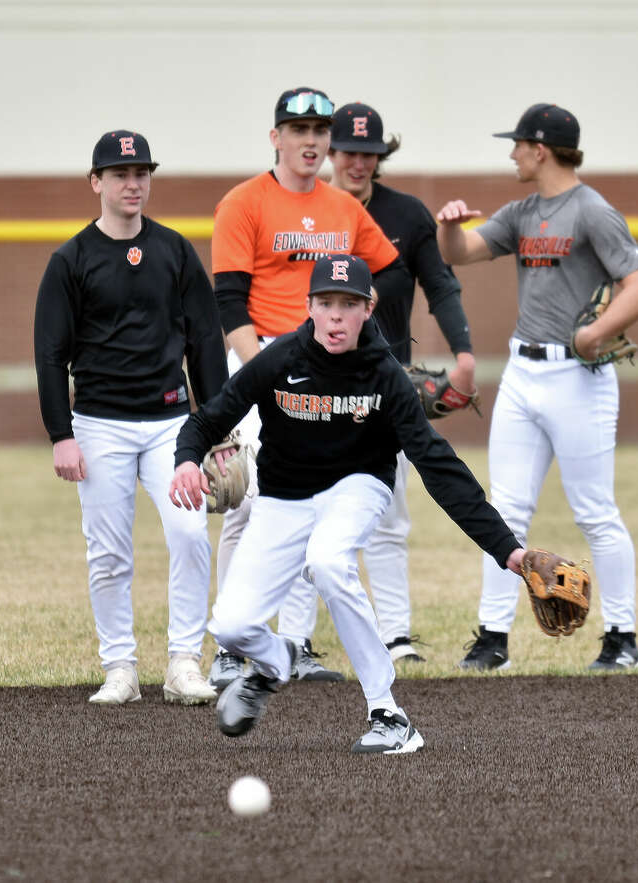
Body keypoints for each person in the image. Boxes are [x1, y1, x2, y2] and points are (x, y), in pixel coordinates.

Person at [169, 254, 525, 753]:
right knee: (231, 625)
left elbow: (438, 465)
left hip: (357, 485)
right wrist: (186, 460)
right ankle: (275, 663)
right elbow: (208, 419)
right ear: (309, 305)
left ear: (367, 309)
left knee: (329, 562)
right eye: (326, 303)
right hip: (283, 497)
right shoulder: (280, 359)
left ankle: (390, 714)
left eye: (349, 304)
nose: (336, 316)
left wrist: (508, 550)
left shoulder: (384, 376)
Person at [435, 103, 638, 672]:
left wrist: (595, 334)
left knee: (594, 511)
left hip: (577, 379)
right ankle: (492, 638)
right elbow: (459, 254)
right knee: (503, 509)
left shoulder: (592, 211)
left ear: (541, 148)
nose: (511, 153)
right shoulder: (523, 211)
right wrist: (448, 226)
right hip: (522, 373)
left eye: (518, 144)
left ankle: (622, 638)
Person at [208, 87, 403, 686]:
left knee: (308, 500)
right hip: (263, 355)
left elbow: (388, 273)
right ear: (276, 138)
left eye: (320, 130)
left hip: (329, 363)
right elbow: (228, 299)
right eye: (298, 129)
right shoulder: (244, 202)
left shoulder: (344, 208)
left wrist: (374, 350)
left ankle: (295, 642)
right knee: (247, 506)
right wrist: (260, 374)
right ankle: (229, 647)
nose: (312, 140)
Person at [33, 130, 228, 705]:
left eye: (141, 173)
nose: (132, 183)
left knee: (192, 535)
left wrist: (215, 430)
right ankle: (119, 666)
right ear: (96, 182)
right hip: (99, 424)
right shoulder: (70, 260)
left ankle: (184, 663)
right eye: (120, 174)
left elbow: (206, 343)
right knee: (110, 551)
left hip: (172, 425)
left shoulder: (174, 250)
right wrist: (60, 434)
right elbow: (50, 353)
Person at [324, 100, 478, 664]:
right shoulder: (308, 212)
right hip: (313, 378)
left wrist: (463, 354)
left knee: (388, 514)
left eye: (369, 153)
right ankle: (294, 643)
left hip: (384, 381)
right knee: (299, 511)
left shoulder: (408, 215)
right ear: (330, 152)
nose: (358, 162)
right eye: (348, 151)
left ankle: (395, 635)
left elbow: (440, 284)